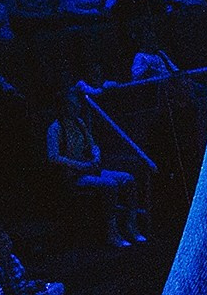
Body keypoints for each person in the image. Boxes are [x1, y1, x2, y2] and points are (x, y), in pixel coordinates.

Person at [48, 94, 143, 246]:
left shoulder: (80, 123)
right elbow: (54, 157)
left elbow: (93, 144)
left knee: (128, 179)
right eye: (75, 105)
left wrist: (96, 155)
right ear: (66, 107)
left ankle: (131, 226)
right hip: (73, 176)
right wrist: (79, 165)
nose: (79, 107)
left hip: (91, 169)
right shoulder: (55, 128)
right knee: (110, 185)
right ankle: (112, 233)